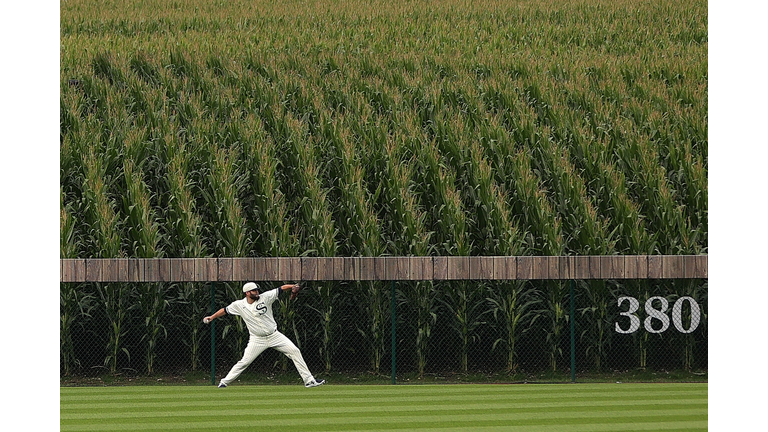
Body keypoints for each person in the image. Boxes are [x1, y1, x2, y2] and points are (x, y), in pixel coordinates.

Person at [203, 282, 325, 388]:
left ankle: (309, 381)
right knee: (244, 362)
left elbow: (281, 288)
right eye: (254, 290)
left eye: (257, 290)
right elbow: (225, 310)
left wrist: (293, 286)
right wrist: (212, 317)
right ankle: (224, 382)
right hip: (257, 339)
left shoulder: (265, 297)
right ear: (247, 293)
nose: (257, 292)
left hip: (274, 335)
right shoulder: (239, 305)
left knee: (294, 351)